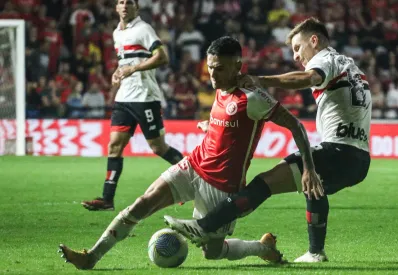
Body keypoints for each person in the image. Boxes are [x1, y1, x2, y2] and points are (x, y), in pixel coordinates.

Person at [58, 36, 318, 269]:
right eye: (210, 67)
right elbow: (229, 128)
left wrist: (308, 168)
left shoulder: (253, 97)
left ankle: (263, 249)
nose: (213, 75)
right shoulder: (219, 86)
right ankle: (91, 257)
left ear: (238, 66)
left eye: (220, 68)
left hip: (222, 186)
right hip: (194, 165)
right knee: (143, 203)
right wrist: (211, 128)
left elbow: (296, 125)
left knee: (212, 253)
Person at [164, 17, 372, 263]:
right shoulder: (349, 65)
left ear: (314, 40)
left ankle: (204, 226)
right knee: (313, 188)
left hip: (338, 151)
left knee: (265, 183)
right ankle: (315, 252)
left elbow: (307, 79)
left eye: (297, 47)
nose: (296, 56)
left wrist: (263, 80)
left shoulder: (324, 59)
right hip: (359, 159)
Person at [81, 0, 183, 211]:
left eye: (129, 2)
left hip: (145, 97)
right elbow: (126, 62)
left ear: (136, 7)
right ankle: (107, 199)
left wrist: (133, 68)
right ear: (116, 8)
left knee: (158, 147)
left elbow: (162, 57)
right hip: (124, 97)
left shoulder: (143, 29)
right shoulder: (117, 33)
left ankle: (191, 180)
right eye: (121, 2)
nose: (125, 5)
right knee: (114, 146)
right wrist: (118, 72)